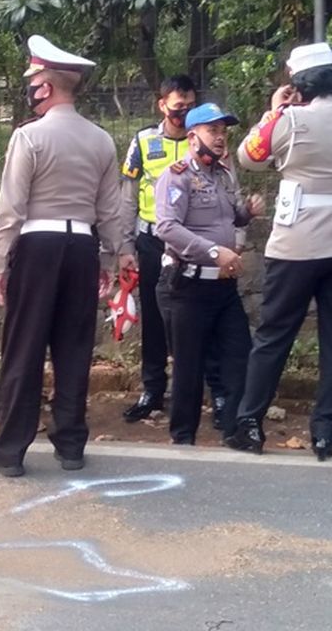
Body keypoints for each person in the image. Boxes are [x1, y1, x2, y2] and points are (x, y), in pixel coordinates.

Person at [227, 42, 332, 461]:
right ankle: (323, 433)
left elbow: (249, 157)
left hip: (295, 244)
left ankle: (249, 423)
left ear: (298, 84)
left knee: (274, 335)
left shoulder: (290, 121)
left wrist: (272, 110)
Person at [0, 35, 122, 477]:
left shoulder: (29, 137)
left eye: (33, 81)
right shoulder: (102, 140)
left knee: (24, 348)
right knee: (74, 348)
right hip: (81, 248)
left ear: (45, 87)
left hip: (37, 246)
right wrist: (110, 259)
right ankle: (71, 445)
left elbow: (11, 209)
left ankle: (9, 452)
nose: (31, 88)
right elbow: (110, 211)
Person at [153, 102, 264, 445]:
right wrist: (215, 251)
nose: (220, 138)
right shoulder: (177, 175)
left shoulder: (223, 174)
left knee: (240, 357)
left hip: (223, 288)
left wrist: (246, 213)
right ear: (192, 136)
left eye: (224, 131)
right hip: (186, 285)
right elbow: (167, 227)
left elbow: (227, 219)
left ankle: (234, 430)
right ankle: (183, 438)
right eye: (213, 131)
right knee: (189, 367)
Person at [118, 76, 197, 423]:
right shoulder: (143, 141)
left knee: (191, 318)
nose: (184, 114)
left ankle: (191, 390)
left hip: (193, 243)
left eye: (190, 107)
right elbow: (128, 195)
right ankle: (152, 389)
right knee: (152, 316)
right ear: (161, 104)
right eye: (178, 108)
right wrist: (124, 244)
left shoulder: (202, 140)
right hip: (151, 241)